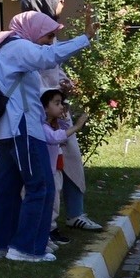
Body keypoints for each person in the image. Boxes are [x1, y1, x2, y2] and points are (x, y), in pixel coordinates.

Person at [0, 11, 91, 263]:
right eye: (48, 34)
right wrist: (86, 38)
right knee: (41, 186)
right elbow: (48, 57)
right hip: (23, 131)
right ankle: (26, 248)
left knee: (6, 188)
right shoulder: (18, 46)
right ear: (32, 30)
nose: (51, 40)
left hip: (9, 130)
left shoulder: (6, 46)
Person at [21, 0, 104, 235]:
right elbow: (44, 64)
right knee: (48, 171)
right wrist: (85, 38)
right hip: (41, 112)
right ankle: (46, 225)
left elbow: (54, 66)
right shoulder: (28, 37)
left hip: (57, 108)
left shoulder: (48, 33)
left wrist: (64, 82)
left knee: (71, 159)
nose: (63, 2)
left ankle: (74, 214)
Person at [40, 89, 92, 247]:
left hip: (56, 169)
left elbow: (62, 131)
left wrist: (64, 121)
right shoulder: (42, 127)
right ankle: (48, 230)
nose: (61, 107)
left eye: (61, 103)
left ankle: (50, 229)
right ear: (44, 108)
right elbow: (55, 137)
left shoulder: (52, 124)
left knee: (55, 200)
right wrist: (77, 126)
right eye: (56, 103)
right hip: (48, 172)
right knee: (51, 202)